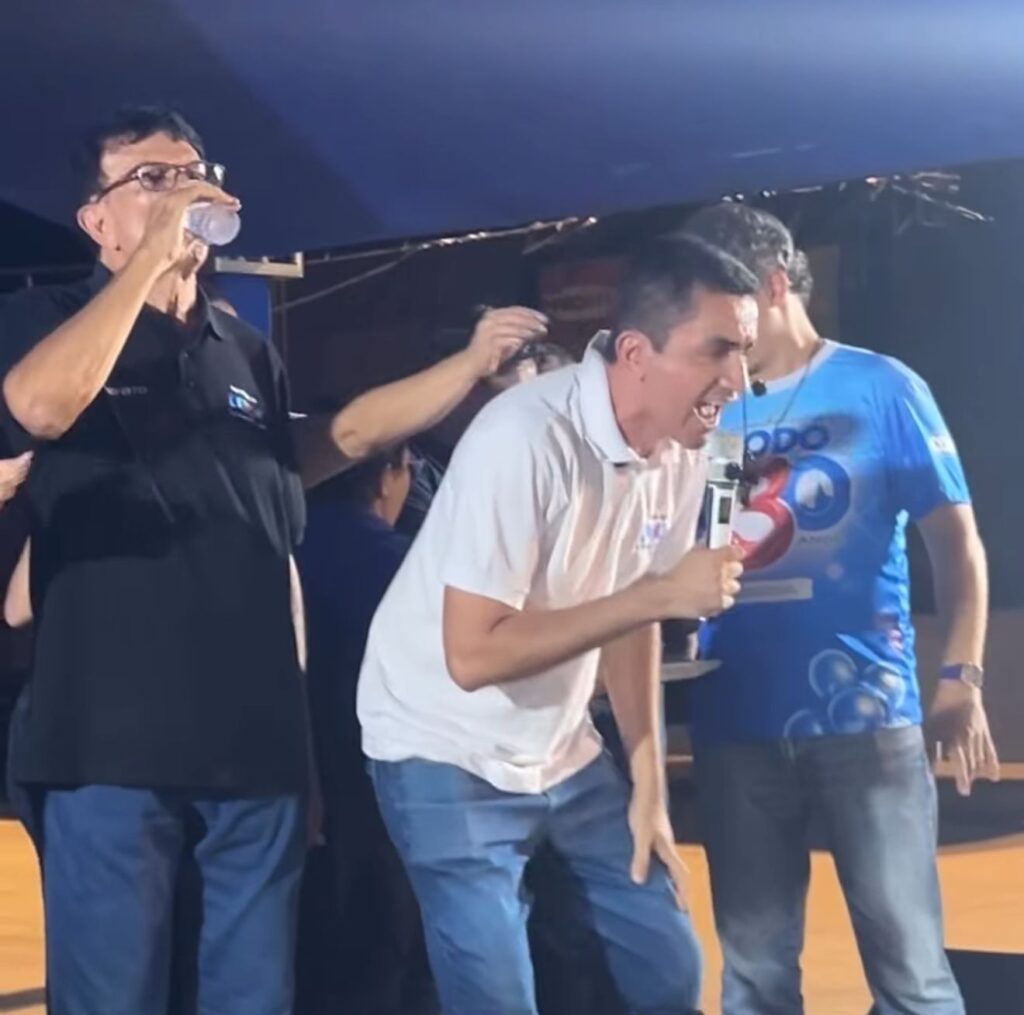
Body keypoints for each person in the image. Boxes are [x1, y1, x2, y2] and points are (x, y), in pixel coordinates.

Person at [0, 104, 543, 1015]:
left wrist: (466, 367)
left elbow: (341, 440)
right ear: (96, 219)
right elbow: (40, 407)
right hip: (109, 744)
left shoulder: (244, 351)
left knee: (252, 995)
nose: (183, 193)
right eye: (152, 179)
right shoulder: (41, 319)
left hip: (253, 750)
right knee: (113, 996)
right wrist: (148, 265)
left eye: (194, 173)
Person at [357, 236, 758, 1015]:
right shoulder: (523, 436)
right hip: (441, 744)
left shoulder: (689, 450)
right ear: (636, 352)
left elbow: (638, 615)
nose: (737, 380)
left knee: (667, 969)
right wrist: (655, 595)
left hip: (562, 751)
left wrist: (648, 779)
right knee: (497, 998)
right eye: (718, 350)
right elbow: (472, 654)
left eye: (743, 351)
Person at [684, 203, 999, 1015]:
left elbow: (956, 542)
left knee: (912, 974)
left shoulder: (882, 386)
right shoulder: (711, 405)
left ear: (773, 285)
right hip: (733, 719)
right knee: (753, 976)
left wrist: (961, 674)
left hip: (865, 718)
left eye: (723, 301)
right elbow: (692, 545)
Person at [294, 444, 436, 1015]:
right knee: (381, 948)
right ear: (387, 476)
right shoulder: (396, 562)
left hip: (284, 776)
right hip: (373, 785)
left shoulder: (281, 543)